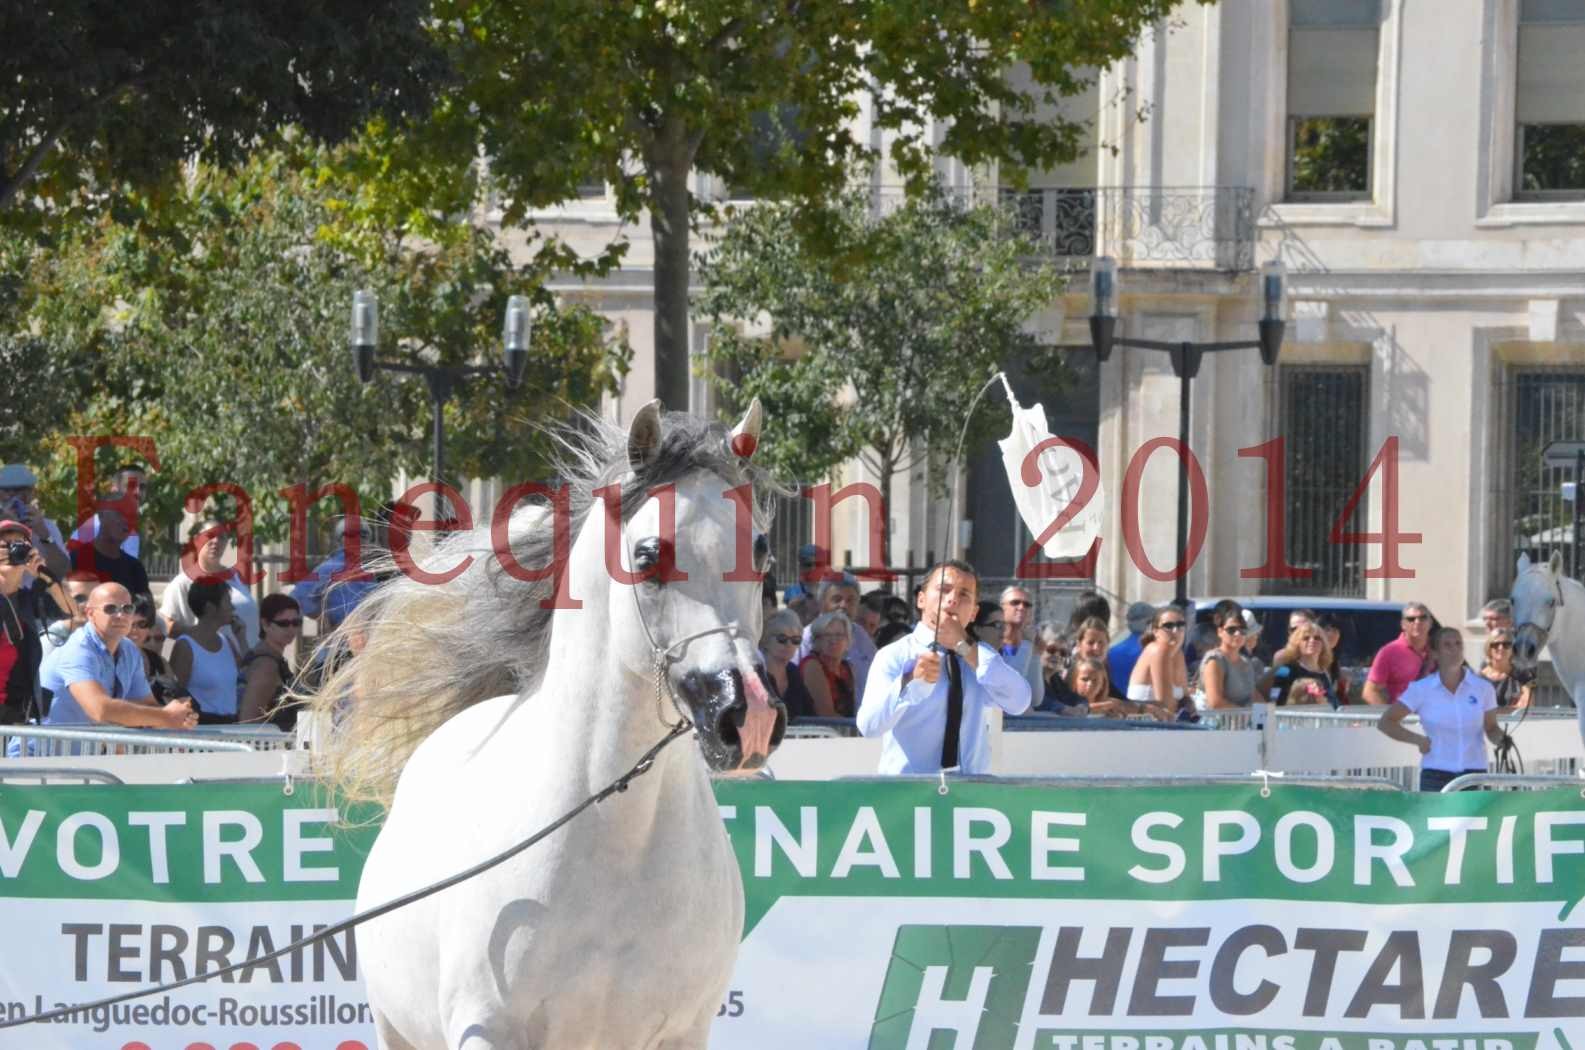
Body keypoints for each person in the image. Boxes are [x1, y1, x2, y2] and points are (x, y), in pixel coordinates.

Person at [858, 559, 1031, 774]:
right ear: (921, 599)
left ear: (974, 613)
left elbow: (1019, 701)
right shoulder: (895, 655)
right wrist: (908, 680)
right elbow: (869, 726)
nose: (952, 600)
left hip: (968, 796)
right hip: (908, 796)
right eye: (944, 590)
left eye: (964, 595)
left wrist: (966, 648)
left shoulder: (980, 657)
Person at [37, 582, 196, 729]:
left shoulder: (129, 650)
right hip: (40, 755)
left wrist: (179, 716)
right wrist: (166, 716)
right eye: (111, 609)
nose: (121, 615)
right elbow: (100, 710)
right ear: (90, 613)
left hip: (81, 755)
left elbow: (146, 705)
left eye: (127, 609)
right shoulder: (78, 650)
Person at [1379, 625, 1503, 792]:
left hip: (1475, 776)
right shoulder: (1421, 689)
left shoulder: (1483, 688)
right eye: (1447, 645)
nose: (1455, 649)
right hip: (1435, 776)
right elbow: (1386, 722)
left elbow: (1491, 727)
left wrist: (1503, 740)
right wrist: (1418, 740)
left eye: (1458, 644)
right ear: (1435, 653)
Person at [161, 518, 260, 650]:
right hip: (214, 662)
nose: (216, 541)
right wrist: (201, 634)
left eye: (221, 537)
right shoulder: (183, 583)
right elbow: (164, 624)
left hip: (249, 660)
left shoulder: (236, 577)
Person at [168, 578, 241, 724]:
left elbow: (247, 676)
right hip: (201, 731)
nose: (233, 608)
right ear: (210, 607)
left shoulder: (227, 641)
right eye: (227, 602)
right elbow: (174, 696)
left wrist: (242, 637)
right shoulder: (185, 646)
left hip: (231, 728)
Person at [293, 514, 382, 632]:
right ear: (341, 540)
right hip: (339, 641)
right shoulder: (329, 568)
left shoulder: (368, 571)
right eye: (351, 535)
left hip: (365, 640)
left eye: (363, 535)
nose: (358, 539)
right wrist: (323, 620)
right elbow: (298, 597)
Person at [796, 574, 876, 704]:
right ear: (821, 603)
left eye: (851, 600)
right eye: (837, 599)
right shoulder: (806, 637)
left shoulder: (862, 637)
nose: (844, 605)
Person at [239, 593, 304, 728]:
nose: (291, 629)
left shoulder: (271, 658)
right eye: (283, 624)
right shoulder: (266, 665)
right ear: (265, 624)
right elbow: (248, 721)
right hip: (264, 745)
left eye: (296, 623)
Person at [0, 463, 71, 579]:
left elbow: (62, 571)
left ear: (32, 493)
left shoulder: (46, 526)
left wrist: (44, 535)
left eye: (20, 490)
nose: (14, 497)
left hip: (35, 595)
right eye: (7, 491)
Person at [68, 504, 151, 601]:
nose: (125, 520)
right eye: (119, 514)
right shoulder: (75, 560)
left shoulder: (135, 567)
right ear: (101, 515)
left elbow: (147, 609)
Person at [1362, 602, 1435, 705]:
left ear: (1430, 623)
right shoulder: (1389, 652)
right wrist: (1390, 716)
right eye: (1411, 619)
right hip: (1406, 718)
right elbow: (1369, 691)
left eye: (1423, 618)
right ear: (1403, 625)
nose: (1417, 622)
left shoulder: (1442, 648)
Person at [71, 463, 149, 556]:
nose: (138, 492)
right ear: (114, 489)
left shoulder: (132, 535)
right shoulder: (93, 528)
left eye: (142, 487)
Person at [1128, 606, 1190, 719]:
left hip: (1163, 727)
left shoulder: (1178, 654)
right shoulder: (1159, 651)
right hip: (1142, 729)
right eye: (1168, 626)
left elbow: (1185, 698)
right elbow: (1167, 705)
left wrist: (1189, 704)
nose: (1175, 631)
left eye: (1181, 625)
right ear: (1155, 631)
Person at [1265, 622, 1338, 707]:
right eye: (1306, 638)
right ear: (1297, 643)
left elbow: (1333, 702)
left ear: (1323, 644)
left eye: (1317, 638)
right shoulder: (1285, 669)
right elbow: (1272, 700)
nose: (1312, 641)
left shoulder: (1324, 672)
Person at [996, 586, 1046, 711]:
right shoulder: (992, 644)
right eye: (1015, 603)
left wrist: (1034, 655)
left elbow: (1035, 699)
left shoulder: (1030, 646)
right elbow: (1010, 691)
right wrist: (1027, 645)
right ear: (1002, 608)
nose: (1021, 607)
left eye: (1027, 604)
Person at [1199, 602, 1257, 709]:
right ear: (1220, 632)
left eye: (1242, 630)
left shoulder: (1246, 662)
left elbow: (1253, 697)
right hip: (1218, 723)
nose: (1237, 634)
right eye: (1231, 630)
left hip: (1243, 723)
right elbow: (1215, 703)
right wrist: (1248, 716)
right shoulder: (1215, 660)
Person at [759, 609, 814, 721]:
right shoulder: (755, 674)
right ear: (765, 640)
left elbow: (810, 714)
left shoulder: (794, 673)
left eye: (795, 640)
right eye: (782, 638)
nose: (789, 644)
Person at [800, 610, 857, 718]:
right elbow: (825, 714)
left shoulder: (848, 668)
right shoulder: (812, 666)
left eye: (839, 635)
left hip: (845, 729)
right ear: (816, 641)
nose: (833, 640)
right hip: (820, 731)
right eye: (827, 635)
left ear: (848, 640)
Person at [128, 594, 177, 703]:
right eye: (130, 625)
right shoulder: (110, 659)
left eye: (142, 624)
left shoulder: (160, 660)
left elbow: (171, 697)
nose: (135, 630)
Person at [1478, 626, 1533, 713]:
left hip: (1515, 725)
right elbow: (1476, 709)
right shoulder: (1479, 679)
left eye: (1506, 644)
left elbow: (1525, 708)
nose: (1501, 648)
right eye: (1495, 645)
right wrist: (1510, 709)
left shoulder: (1522, 675)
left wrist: (1493, 711)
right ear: (1489, 649)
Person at [1106, 601, 1154, 696]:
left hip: (1117, 705)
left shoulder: (1111, 652)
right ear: (1149, 623)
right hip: (1144, 705)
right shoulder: (1152, 651)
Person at [1313, 611, 1350, 703]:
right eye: (1328, 629)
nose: (1332, 634)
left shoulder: (1335, 662)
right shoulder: (1310, 660)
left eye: (1336, 630)